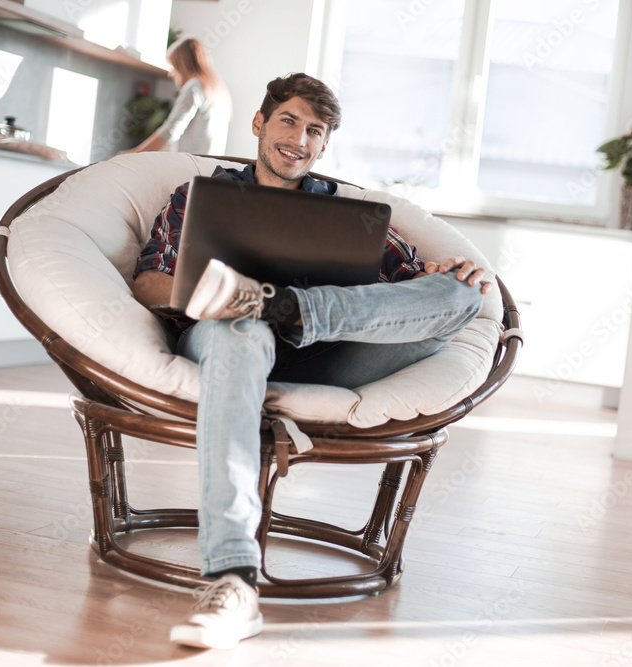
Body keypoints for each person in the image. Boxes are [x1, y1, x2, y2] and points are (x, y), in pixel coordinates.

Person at [130, 73, 491, 650]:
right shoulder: (199, 195)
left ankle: (289, 308)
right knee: (239, 325)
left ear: (325, 146)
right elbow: (149, 280)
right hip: (228, 343)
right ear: (260, 123)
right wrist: (218, 299)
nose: (299, 139)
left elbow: (417, 289)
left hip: (324, 356)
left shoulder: (352, 215)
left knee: (463, 297)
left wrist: (453, 276)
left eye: (315, 131)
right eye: (289, 121)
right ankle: (232, 580)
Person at [122, 37, 231, 155]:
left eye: (173, 67)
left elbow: (170, 131)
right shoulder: (216, 90)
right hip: (210, 168)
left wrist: (134, 153)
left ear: (183, 65)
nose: (170, 74)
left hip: (193, 169)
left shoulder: (194, 86)